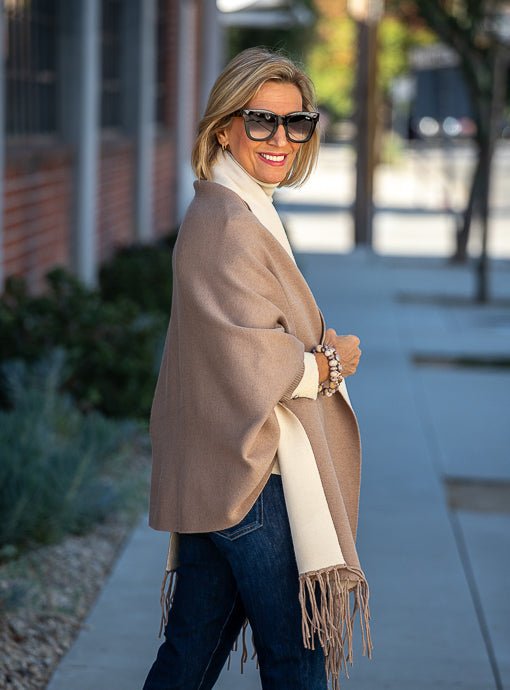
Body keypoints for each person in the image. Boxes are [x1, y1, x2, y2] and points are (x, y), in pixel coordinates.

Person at [142, 47, 372, 690]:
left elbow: (233, 341)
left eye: (296, 122)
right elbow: (251, 360)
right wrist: (329, 363)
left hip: (220, 470)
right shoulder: (230, 221)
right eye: (261, 120)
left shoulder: (230, 208)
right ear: (224, 128)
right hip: (256, 478)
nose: (281, 139)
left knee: (189, 658)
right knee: (297, 659)